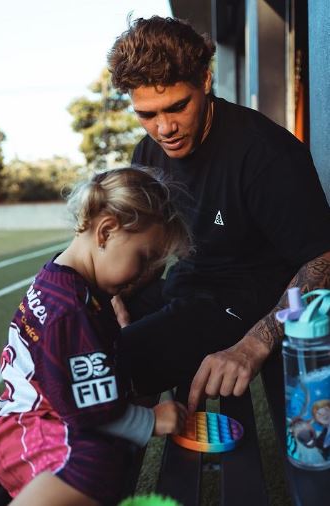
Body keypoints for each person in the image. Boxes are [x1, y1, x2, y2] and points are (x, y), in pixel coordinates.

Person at [106, 15, 330, 410]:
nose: (164, 129)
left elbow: (324, 261)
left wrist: (256, 341)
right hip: (185, 285)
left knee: (117, 362)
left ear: (205, 81)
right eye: (147, 114)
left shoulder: (266, 154)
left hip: (250, 303)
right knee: (76, 332)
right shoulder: (148, 153)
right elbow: (152, 251)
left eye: (177, 107)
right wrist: (117, 292)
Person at [0, 167, 191, 506]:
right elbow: (91, 412)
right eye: (145, 257)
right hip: (35, 430)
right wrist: (151, 419)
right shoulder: (71, 310)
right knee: (95, 465)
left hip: (26, 419)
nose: (147, 273)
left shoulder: (61, 277)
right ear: (106, 232)